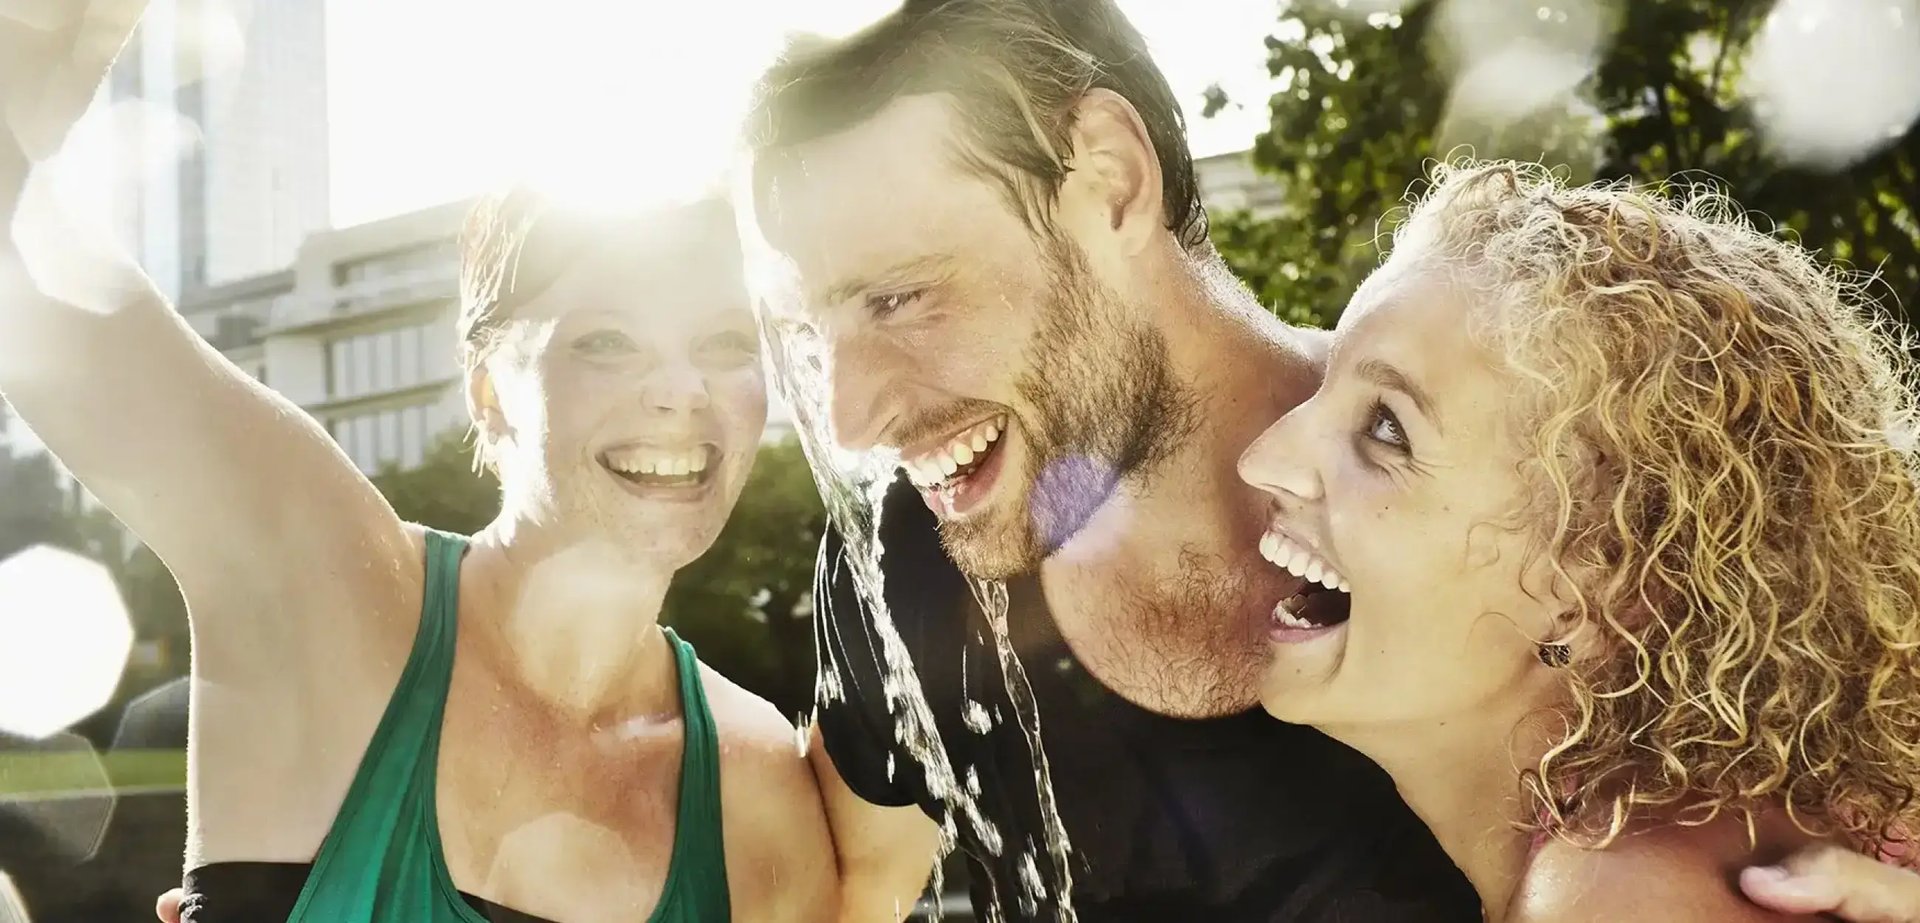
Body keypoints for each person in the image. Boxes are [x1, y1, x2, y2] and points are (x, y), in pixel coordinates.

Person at [737, 1, 1920, 920]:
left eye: (902, 294)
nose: (846, 416)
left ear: (1108, 179)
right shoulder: (910, 567)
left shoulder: (1521, 461)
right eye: (811, 331)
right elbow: (848, 874)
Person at [0, 6, 837, 921]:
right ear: (487, 393)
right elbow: (42, 306)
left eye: (724, 341)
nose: (682, 389)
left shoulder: (758, 793)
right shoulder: (327, 583)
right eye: (604, 341)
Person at [1237, 159, 1920, 921]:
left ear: (1590, 584)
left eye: (1386, 427)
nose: (1262, 458)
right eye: (1323, 385)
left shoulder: (1621, 894)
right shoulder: (1679, 843)